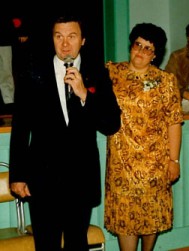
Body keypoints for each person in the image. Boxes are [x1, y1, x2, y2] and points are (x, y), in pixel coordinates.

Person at [9, 14, 121, 251]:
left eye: (72, 36)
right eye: (59, 37)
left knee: (76, 244)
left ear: (83, 40)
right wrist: (17, 175)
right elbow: (20, 128)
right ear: (52, 39)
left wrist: (84, 95)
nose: (65, 44)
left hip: (81, 177)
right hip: (43, 178)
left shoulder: (97, 74)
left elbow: (112, 124)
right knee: (46, 244)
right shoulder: (33, 72)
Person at [104, 22, 183, 251]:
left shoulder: (166, 81)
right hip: (121, 162)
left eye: (148, 48)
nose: (140, 51)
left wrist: (174, 160)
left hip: (155, 163)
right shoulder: (111, 72)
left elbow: (174, 122)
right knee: (125, 219)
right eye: (138, 45)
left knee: (151, 215)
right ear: (131, 45)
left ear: (155, 54)